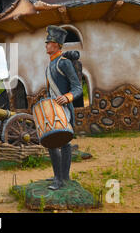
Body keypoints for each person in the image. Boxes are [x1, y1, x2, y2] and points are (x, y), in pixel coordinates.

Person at [44, 25, 83, 190]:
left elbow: (77, 88)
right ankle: (59, 176)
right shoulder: (49, 66)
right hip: (53, 109)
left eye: (48, 42)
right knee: (52, 142)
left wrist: (67, 97)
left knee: (62, 142)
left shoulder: (64, 63)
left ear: (56, 44)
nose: (46, 45)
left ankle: (61, 178)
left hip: (64, 109)